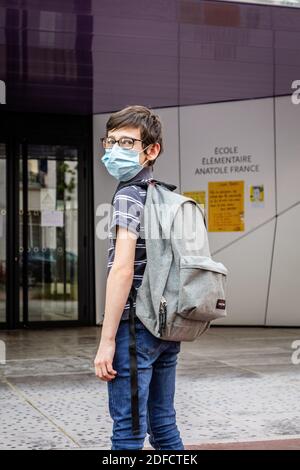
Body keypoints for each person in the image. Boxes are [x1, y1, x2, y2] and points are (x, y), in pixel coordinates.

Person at [94, 105, 184, 451]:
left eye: (127, 143)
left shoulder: (128, 194)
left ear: (152, 150)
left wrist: (107, 339)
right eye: (111, 141)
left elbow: (123, 269)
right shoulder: (165, 194)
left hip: (135, 326)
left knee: (128, 433)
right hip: (165, 324)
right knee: (162, 426)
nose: (115, 150)